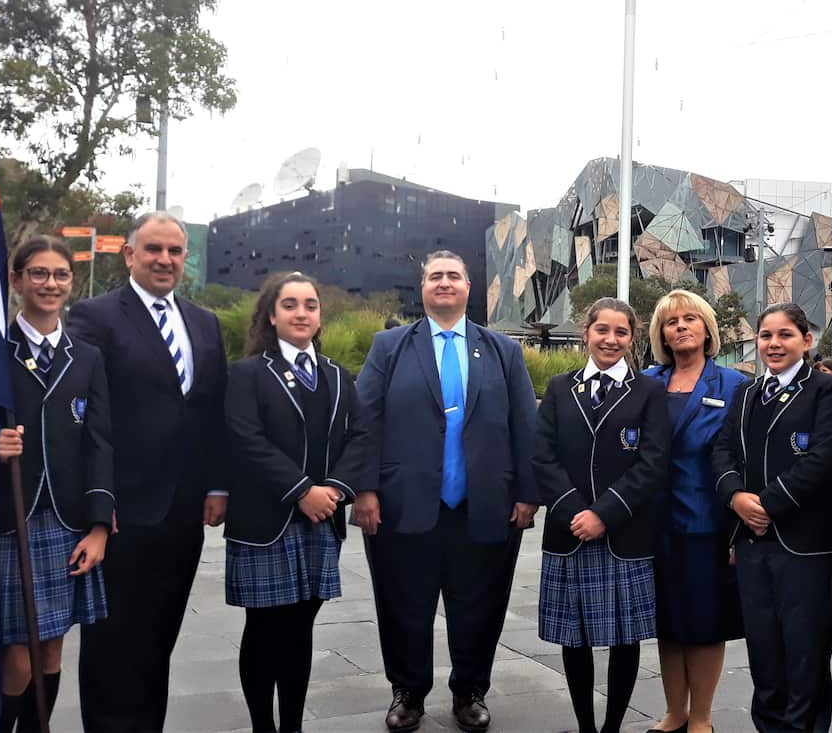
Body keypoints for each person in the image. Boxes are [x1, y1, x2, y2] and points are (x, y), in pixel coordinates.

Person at [355, 250, 539, 733]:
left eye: (453, 276)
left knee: (479, 607)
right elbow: (365, 423)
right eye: (435, 276)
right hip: (403, 506)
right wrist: (364, 491)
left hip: (485, 508)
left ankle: (470, 692)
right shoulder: (389, 347)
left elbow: (526, 427)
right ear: (422, 287)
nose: (444, 283)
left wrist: (527, 492)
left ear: (468, 287)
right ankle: (408, 693)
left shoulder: (503, 351)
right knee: (403, 606)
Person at [68, 211, 229, 731]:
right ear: (130, 254)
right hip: (120, 510)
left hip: (182, 511)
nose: (165, 260)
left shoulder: (204, 323)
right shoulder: (94, 317)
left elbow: (211, 410)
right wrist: (97, 502)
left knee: (160, 635)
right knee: (113, 639)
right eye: (154, 249)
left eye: (175, 251)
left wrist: (217, 484)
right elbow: (85, 414)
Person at [224, 272, 368, 733]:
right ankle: (263, 727)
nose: (301, 313)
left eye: (310, 304)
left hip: (322, 519)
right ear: (271, 314)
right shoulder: (247, 374)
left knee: (300, 629)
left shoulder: (339, 377)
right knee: (266, 628)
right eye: (290, 305)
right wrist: (302, 490)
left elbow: (361, 438)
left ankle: (292, 727)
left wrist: (337, 490)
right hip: (267, 519)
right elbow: (246, 439)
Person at [0, 236, 114, 732]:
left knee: (52, 644)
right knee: (19, 651)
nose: (50, 283)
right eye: (38, 273)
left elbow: (101, 443)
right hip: (10, 519)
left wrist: (100, 526)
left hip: (68, 521)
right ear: (16, 279)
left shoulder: (86, 357)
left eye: (60, 274)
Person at [533, 297, 671, 733]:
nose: (611, 339)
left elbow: (652, 463)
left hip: (624, 533)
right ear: (586, 333)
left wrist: (604, 514)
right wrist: (576, 512)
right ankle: (586, 727)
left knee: (625, 638)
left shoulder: (649, 392)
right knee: (574, 638)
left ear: (632, 339)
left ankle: (612, 726)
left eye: (621, 332)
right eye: (602, 330)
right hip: (568, 531)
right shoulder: (559, 387)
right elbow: (543, 457)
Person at [712, 302, 832, 733]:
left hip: (803, 543)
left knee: (805, 651)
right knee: (764, 651)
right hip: (752, 543)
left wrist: (765, 504)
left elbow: (823, 459)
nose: (774, 344)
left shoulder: (829, 391)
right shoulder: (747, 392)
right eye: (766, 335)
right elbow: (722, 451)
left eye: (785, 335)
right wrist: (736, 497)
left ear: (807, 341)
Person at [642, 290, 748, 733]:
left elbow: (744, 459)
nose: (680, 327)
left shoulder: (734, 385)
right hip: (653, 525)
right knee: (667, 622)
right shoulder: (646, 382)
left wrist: (739, 531)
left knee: (706, 623)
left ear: (708, 329)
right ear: (661, 334)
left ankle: (701, 716)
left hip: (709, 523)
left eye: (690, 319)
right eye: (671, 322)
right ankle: (674, 712)